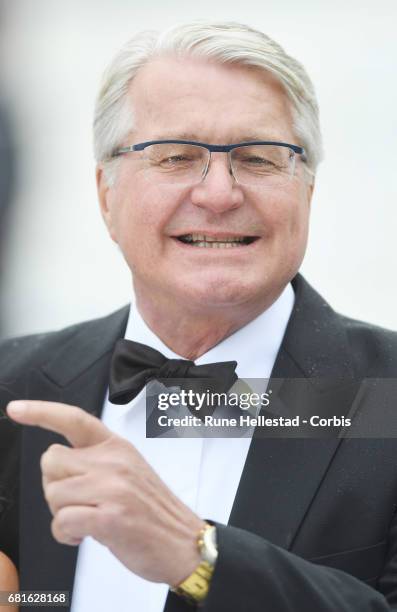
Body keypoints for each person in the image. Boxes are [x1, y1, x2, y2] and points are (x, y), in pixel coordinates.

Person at [1, 20, 397, 612]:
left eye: (259, 158)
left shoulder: (385, 396)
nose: (218, 194)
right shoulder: (14, 387)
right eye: (176, 157)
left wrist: (198, 556)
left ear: (307, 192)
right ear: (106, 195)